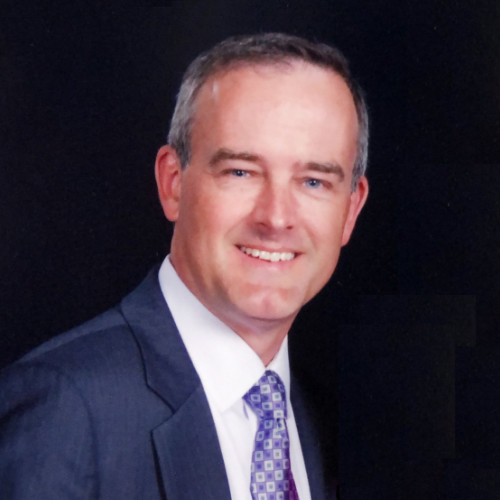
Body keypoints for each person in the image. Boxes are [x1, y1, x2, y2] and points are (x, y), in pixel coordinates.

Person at [0, 33, 368, 499]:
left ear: (350, 210)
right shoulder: (66, 410)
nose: (276, 218)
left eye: (313, 182)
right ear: (173, 183)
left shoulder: (326, 422)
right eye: (240, 172)